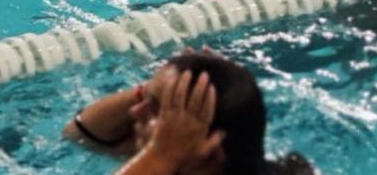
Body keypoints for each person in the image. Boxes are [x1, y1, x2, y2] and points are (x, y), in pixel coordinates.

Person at [67, 50, 313, 174]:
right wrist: (158, 87)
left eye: (161, 110)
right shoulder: (183, 160)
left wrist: (161, 155)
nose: (135, 111)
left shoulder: (166, 157)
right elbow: (79, 135)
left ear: (209, 149)